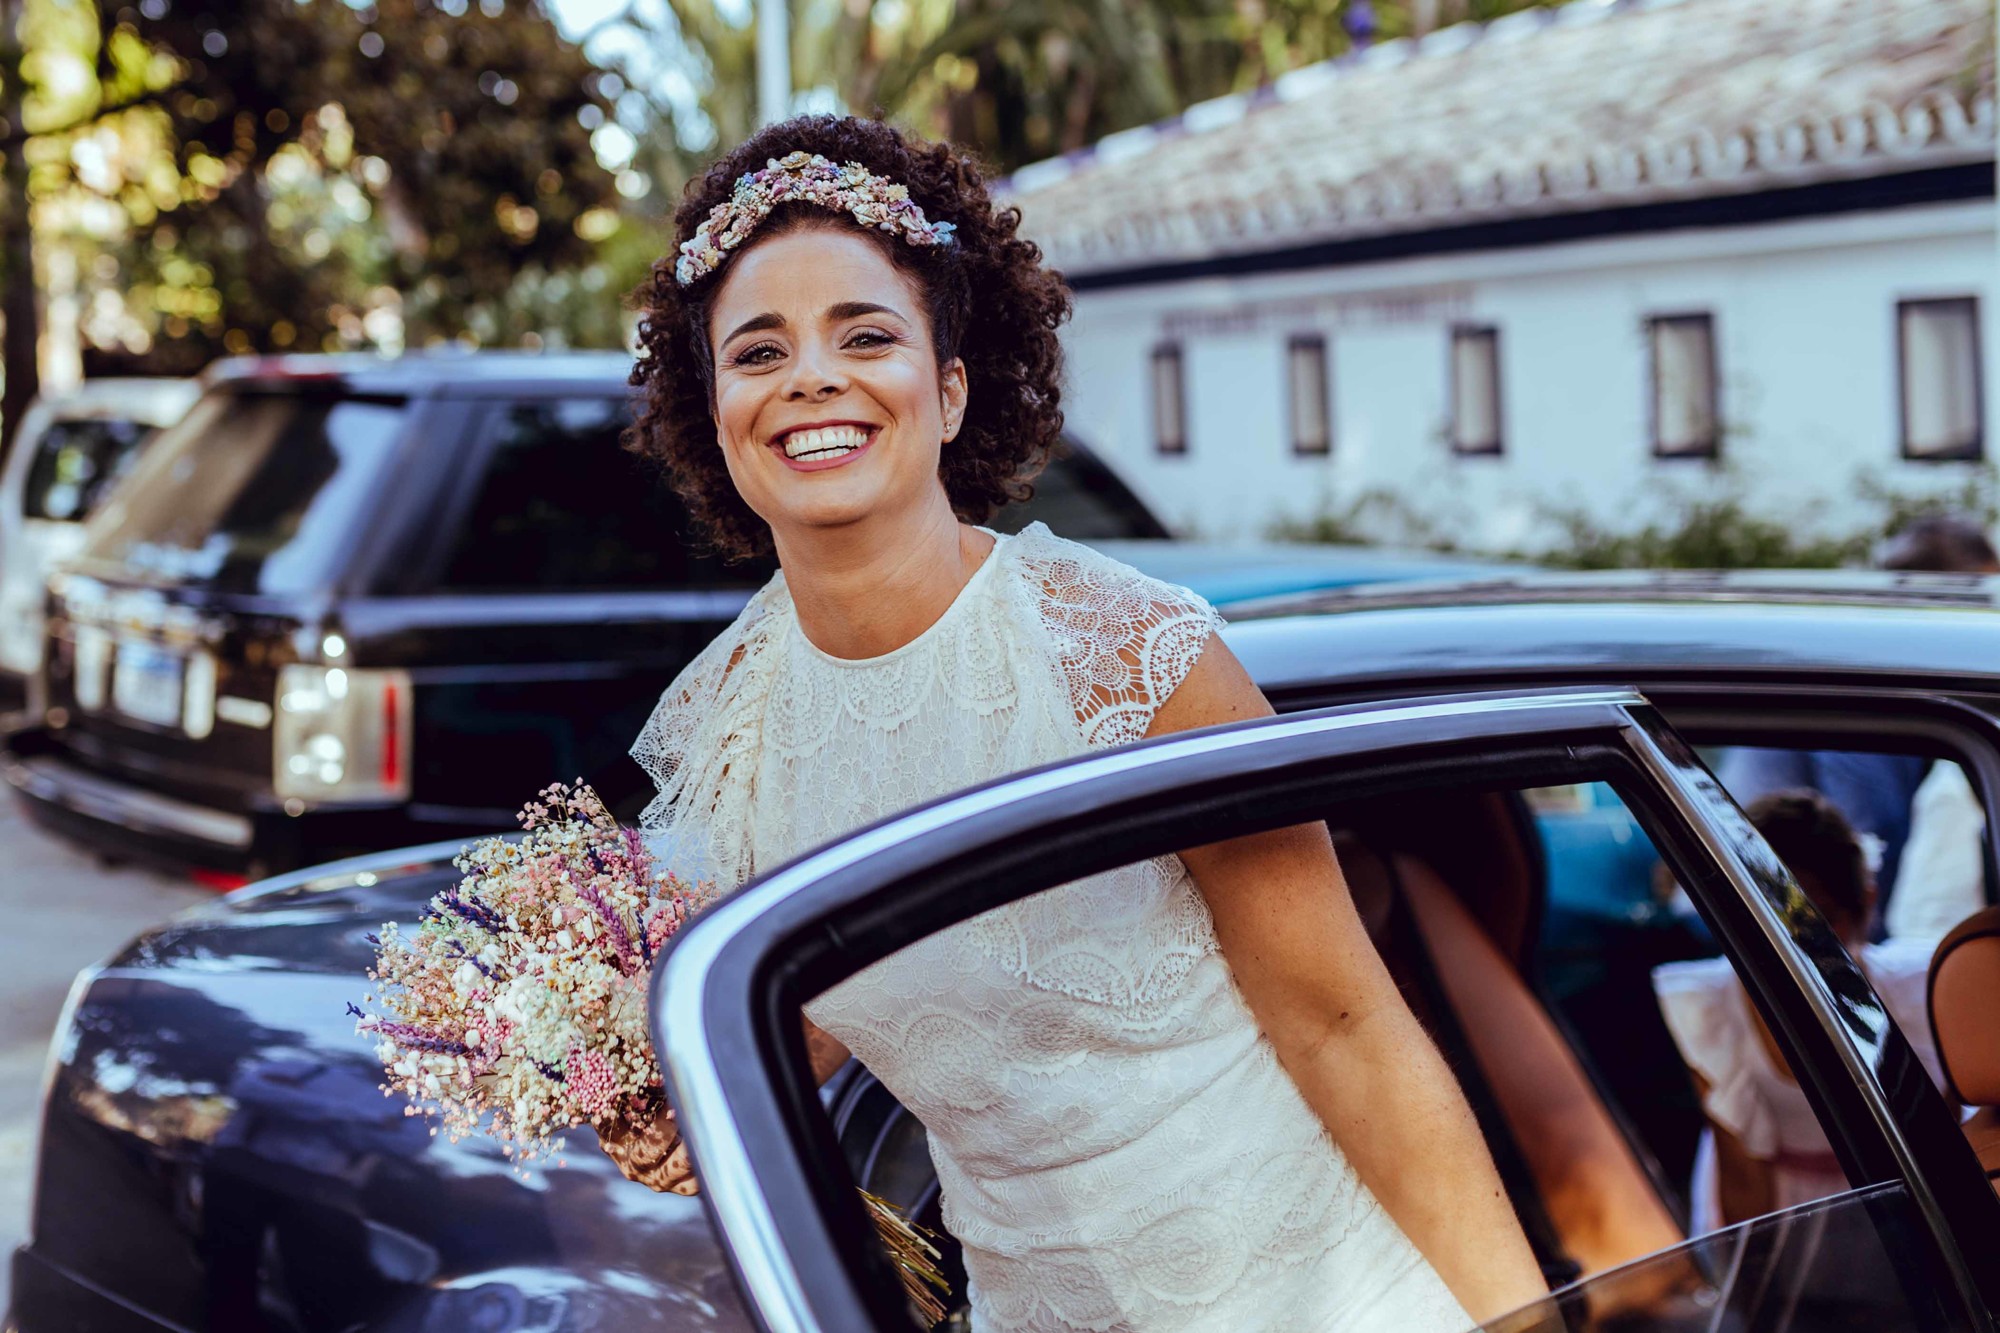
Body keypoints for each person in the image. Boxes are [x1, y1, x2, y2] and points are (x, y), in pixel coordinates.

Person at [596, 116, 1544, 1330]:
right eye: (757, 350)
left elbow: (1346, 1024)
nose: (809, 380)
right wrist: (666, 1092)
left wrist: (1518, 1321)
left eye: (865, 335)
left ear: (947, 392)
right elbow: (832, 1021)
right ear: (713, 410)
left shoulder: (1128, 656)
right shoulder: (723, 727)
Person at [1652, 790, 1943, 1234]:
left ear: (1866, 902)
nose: (1792, 954)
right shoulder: (1715, 1013)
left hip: (1908, 1223)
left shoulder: (1917, 994)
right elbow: (1745, 1190)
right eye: (1763, 927)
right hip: (1782, 1224)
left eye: (1816, 925)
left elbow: (1947, 1162)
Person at [1717, 514, 2000, 935]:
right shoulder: (1867, 684)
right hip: (1753, 917)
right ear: (1940, 598)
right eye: (1982, 598)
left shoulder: (1862, 664)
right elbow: (1870, 843)